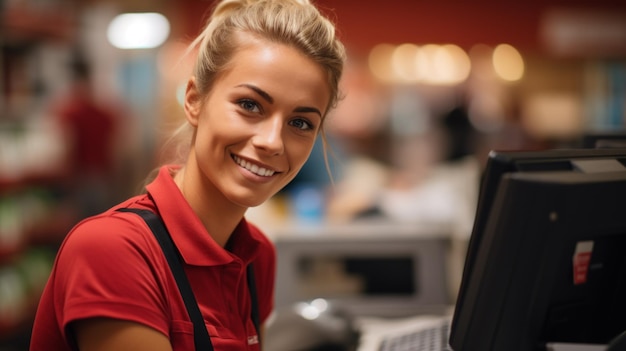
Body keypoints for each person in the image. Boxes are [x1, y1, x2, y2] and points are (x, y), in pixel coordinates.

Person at [29, 0, 346, 350]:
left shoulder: (257, 257)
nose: (272, 142)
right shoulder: (112, 251)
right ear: (195, 100)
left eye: (300, 123)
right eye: (250, 105)